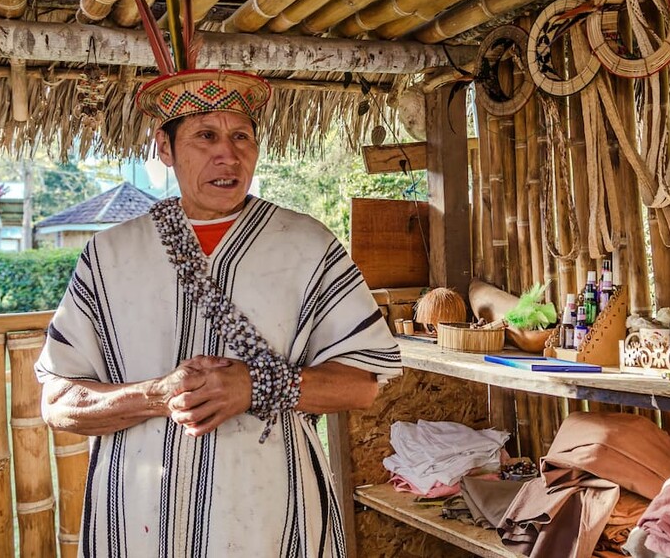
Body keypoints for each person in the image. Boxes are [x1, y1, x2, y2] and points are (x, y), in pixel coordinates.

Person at [35, 69, 403, 557]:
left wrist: (259, 386)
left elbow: (361, 383)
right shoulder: (109, 257)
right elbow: (58, 403)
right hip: (136, 518)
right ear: (164, 149)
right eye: (205, 135)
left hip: (273, 512)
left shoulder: (307, 245)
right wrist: (158, 395)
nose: (227, 154)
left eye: (241, 136)